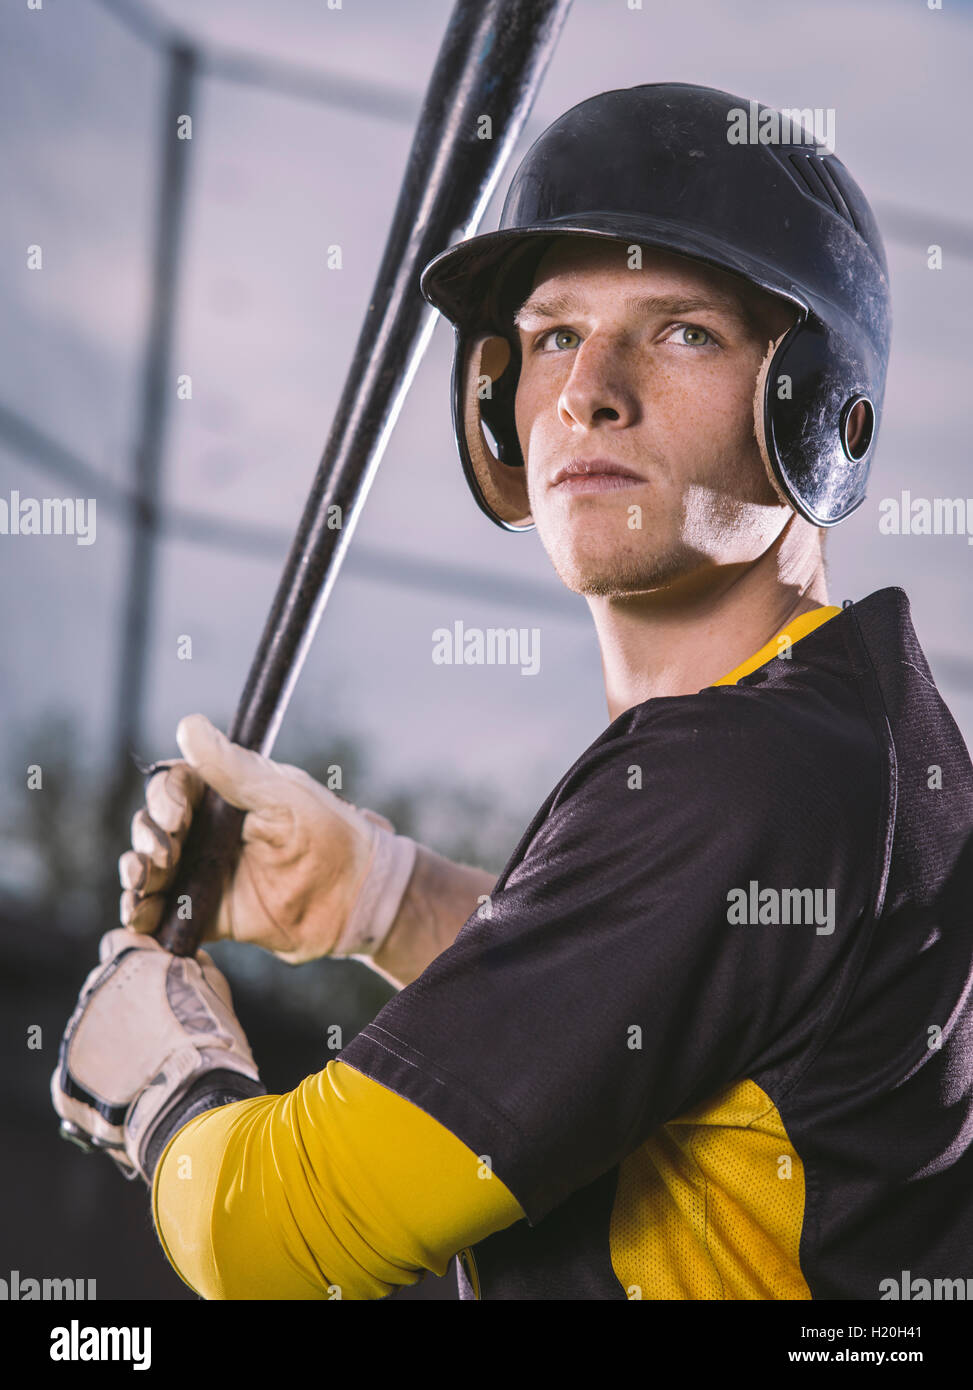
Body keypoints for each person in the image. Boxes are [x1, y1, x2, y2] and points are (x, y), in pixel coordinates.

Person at [52, 84, 973, 1301]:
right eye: (549, 336)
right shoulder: (847, 729)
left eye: (681, 329)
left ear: (817, 409)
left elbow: (272, 1236)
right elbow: (673, 1027)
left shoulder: (744, 777)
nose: (589, 387)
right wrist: (380, 896)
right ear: (496, 403)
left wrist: (163, 1081)